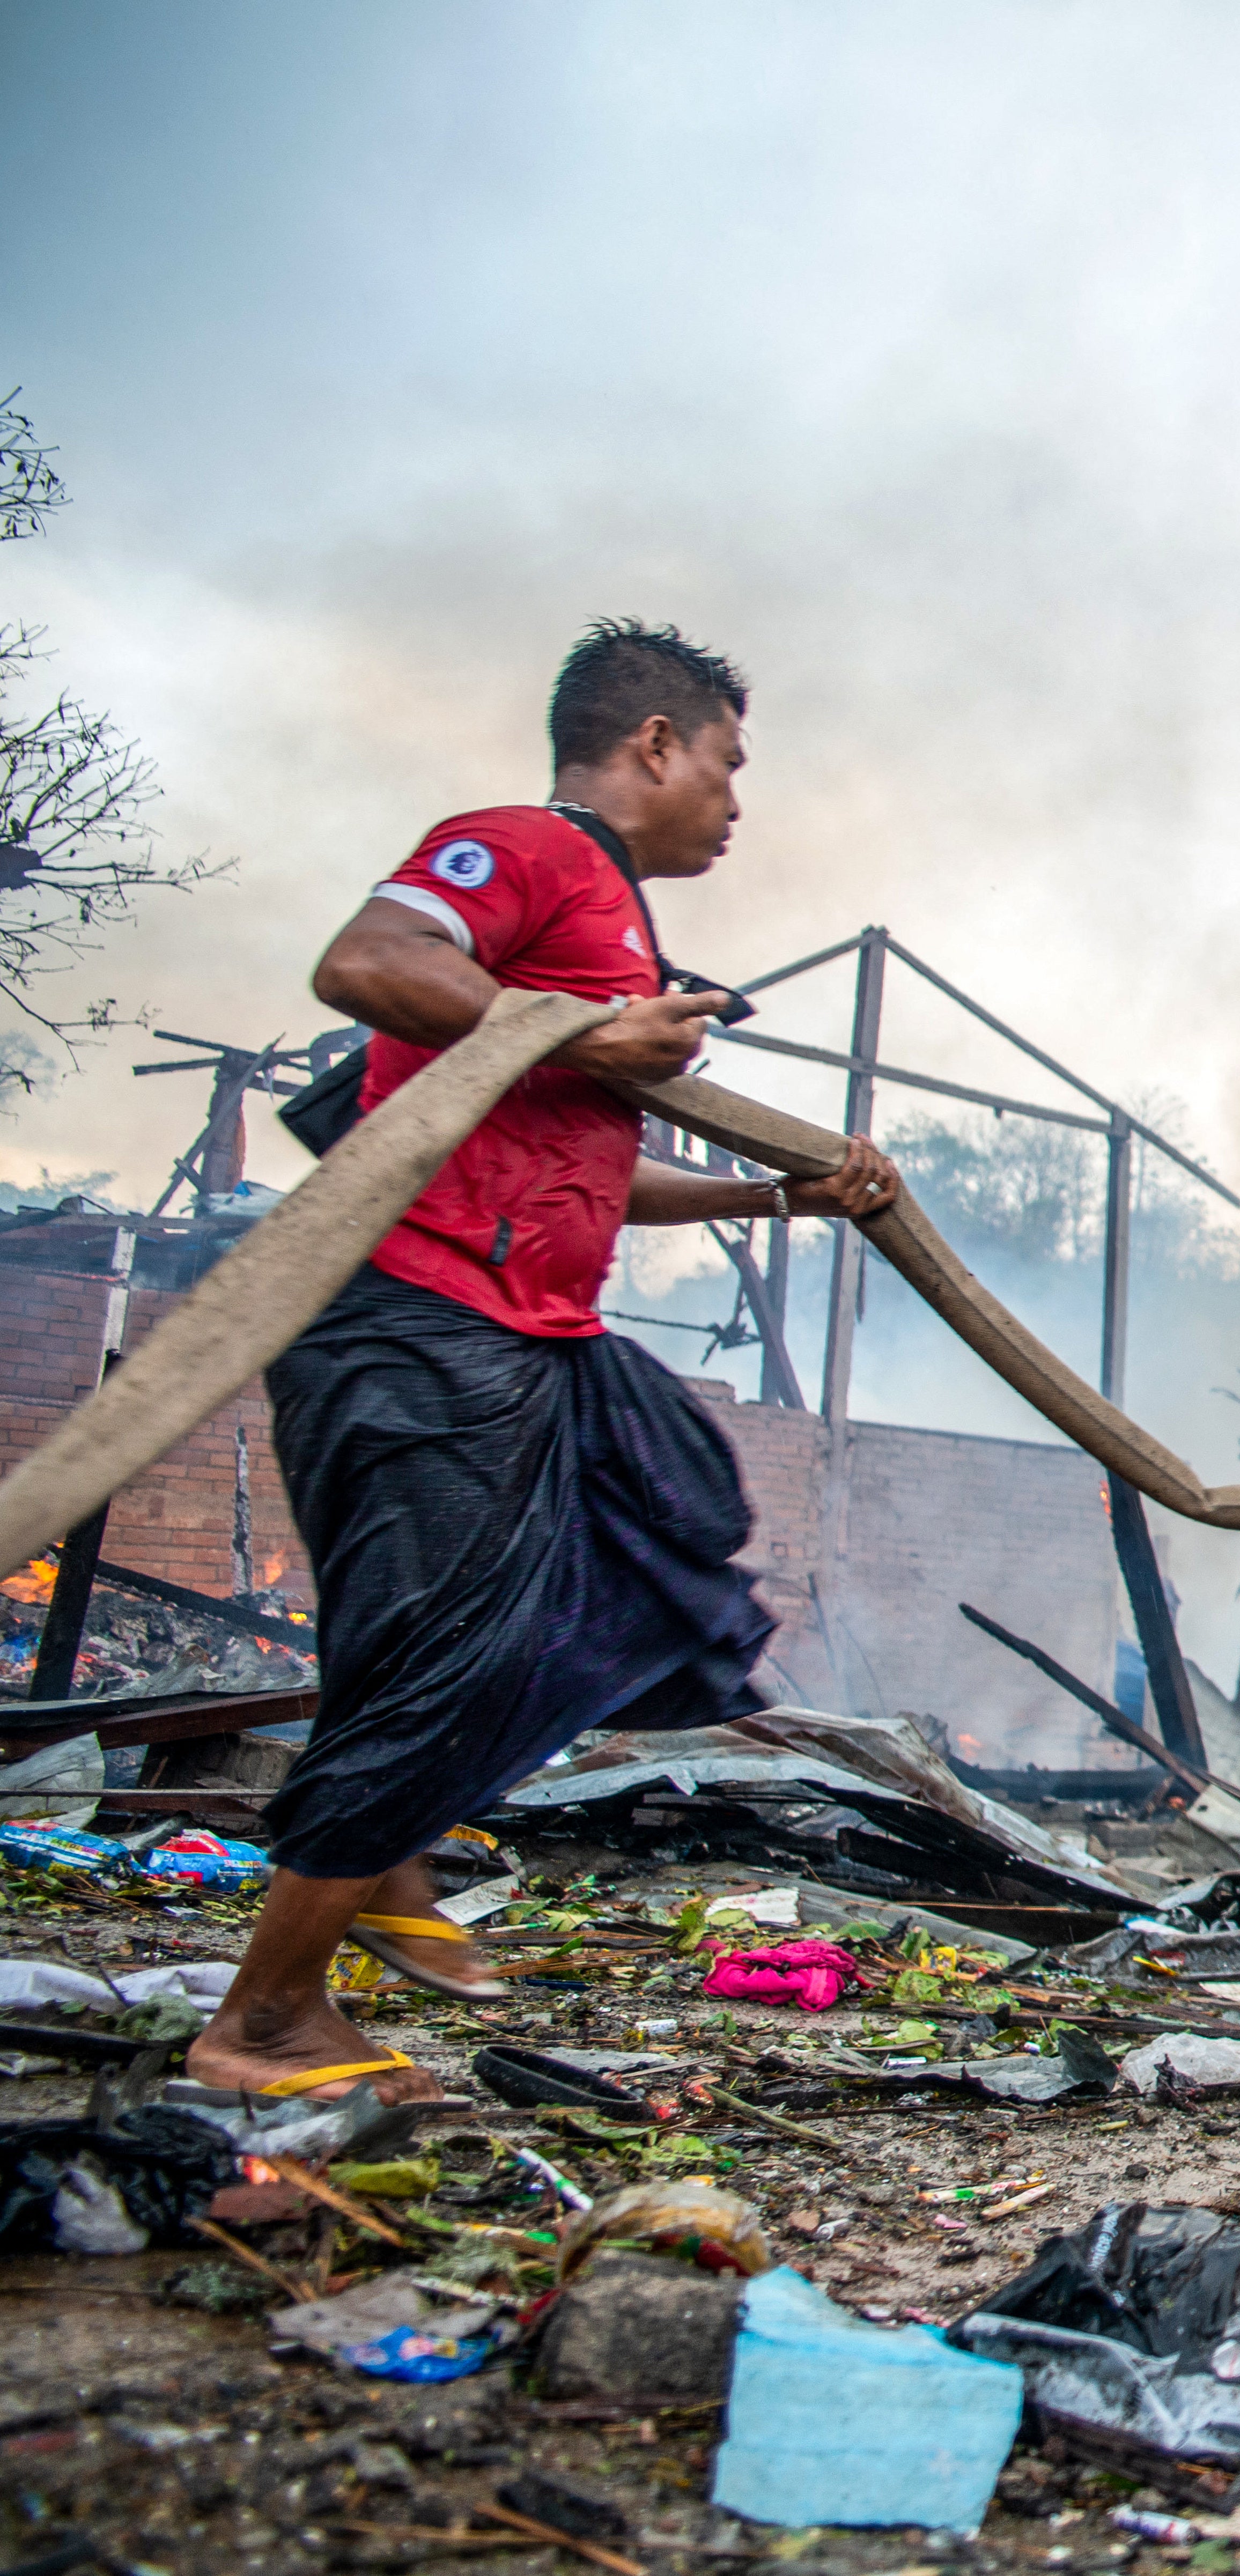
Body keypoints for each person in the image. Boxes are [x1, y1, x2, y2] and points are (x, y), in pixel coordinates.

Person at [184, 621, 903, 2105]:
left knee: (672, 1539)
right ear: (654, 745)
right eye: (726, 761)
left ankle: (388, 1841)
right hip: (418, 1316)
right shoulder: (520, 847)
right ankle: (263, 2016)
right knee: (450, 1648)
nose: (734, 798)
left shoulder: (610, 944)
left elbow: (590, 1166)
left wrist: (782, 1192)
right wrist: (583, 1024)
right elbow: (364, 961)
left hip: (537, 1337)